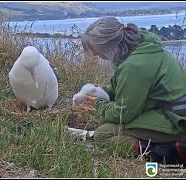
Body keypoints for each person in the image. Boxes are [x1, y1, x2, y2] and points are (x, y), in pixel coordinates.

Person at [78, 16, 186, 163]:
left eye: (98, 52)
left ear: (110, 45)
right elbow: (133, 89)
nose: (99, 57)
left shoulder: (133, 66)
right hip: (175, 114)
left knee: (103, 134)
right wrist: (105, 91)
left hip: (175, 123)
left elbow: (123, 114)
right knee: (106, 122)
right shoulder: (144, 48)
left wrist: (98, 103)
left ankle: (165, 152)